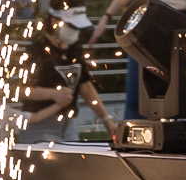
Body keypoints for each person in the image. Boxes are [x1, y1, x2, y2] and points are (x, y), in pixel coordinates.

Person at [19, 8, 117, 139]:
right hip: (39, 125)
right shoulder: (36, 49)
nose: (76, 31)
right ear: (54, 21)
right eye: (72, 26)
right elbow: (21, 90)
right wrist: (54, 95)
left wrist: (106, 119)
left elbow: (85, 85)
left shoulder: (74, 47)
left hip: (68, 124)